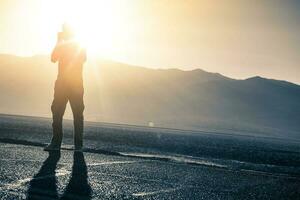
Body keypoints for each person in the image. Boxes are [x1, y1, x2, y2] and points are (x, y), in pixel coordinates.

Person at [44, 23, 86, 151]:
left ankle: (59, 143)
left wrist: (59, 42)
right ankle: (74, 145)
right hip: (72, 84)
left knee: (66, 114)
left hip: (67, 83)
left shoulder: (75, 44)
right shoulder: (79, 44)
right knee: (67, 114)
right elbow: (53, 58)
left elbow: (53, 58)